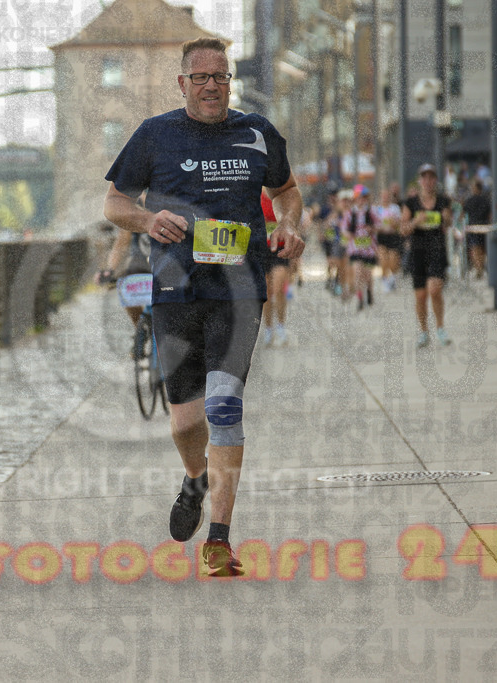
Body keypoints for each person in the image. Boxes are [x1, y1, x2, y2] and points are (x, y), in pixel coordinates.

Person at [103, 37, 305, 577]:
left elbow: (286, 191)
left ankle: (219, 537)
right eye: (201, 77)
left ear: (229, 82)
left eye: (221, 76)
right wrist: (147, 222)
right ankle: (194, 477)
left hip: (239, 293)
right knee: (185, 419)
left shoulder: (257, 133)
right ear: (183, 83)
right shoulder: (154, 135)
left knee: (224, 406)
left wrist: (288, 224)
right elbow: (115, 202)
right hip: (175, 290)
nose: (212, 85)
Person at [401, 164, 453, 348]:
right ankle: (424, 331)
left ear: (435, 180)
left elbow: (449, 223)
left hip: (437, 250)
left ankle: (440, 327)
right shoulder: (411, 203)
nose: (428, 181)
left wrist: (447, 217)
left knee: (434, 289)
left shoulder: (443, 201)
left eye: (432, 177)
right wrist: (416, 221)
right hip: (418, 252)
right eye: (425, 177)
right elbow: (403, 229)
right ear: (420, 180)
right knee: (421, 295)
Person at [96, 227, 152, 326]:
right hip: (141, 268)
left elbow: (121, 242)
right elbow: (121, 243)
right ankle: (141, 327)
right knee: (127, 288)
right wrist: (110, 270)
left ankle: (142, 328)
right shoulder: (133, 215)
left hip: (154, 268)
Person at [261, 190, 291, 344]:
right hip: (262, 250)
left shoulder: (282, 196)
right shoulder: (256, 196)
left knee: (279, 289)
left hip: (280, 249)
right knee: (266, 292)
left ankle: (280, 325)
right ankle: (268, 328)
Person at [346, 185, 377, 310]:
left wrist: (372, 229)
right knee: (358, 273)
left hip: (369, 248)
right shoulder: (350, 213)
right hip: (355, 248)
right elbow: (344, 229)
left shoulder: (371, 212)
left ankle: (369, 290)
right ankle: (360, 298)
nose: (361, 200)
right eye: (359, 198)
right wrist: (349, 235)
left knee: (368, 274)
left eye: (363, 198)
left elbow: (378, 226)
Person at [373, 187, 403, 292]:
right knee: (383, 259)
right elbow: (372, 224)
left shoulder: (395, 208)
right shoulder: (375, 209)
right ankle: (385, 280)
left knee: (393, 260)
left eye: (387, 196)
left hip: (393, 236)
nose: (385, 198)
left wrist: (393, 223)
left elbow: (399, 222)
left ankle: (393, 277)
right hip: (381, 236)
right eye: (383, 196)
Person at [461, 178, 491, 279]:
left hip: (473, 227)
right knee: (482, 249)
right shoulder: (486, 200)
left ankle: (478, 268)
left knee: (474, 248)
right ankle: (480, 267)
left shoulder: (469, 200)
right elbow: (490, 215)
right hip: (484, 226)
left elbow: (462, 214)